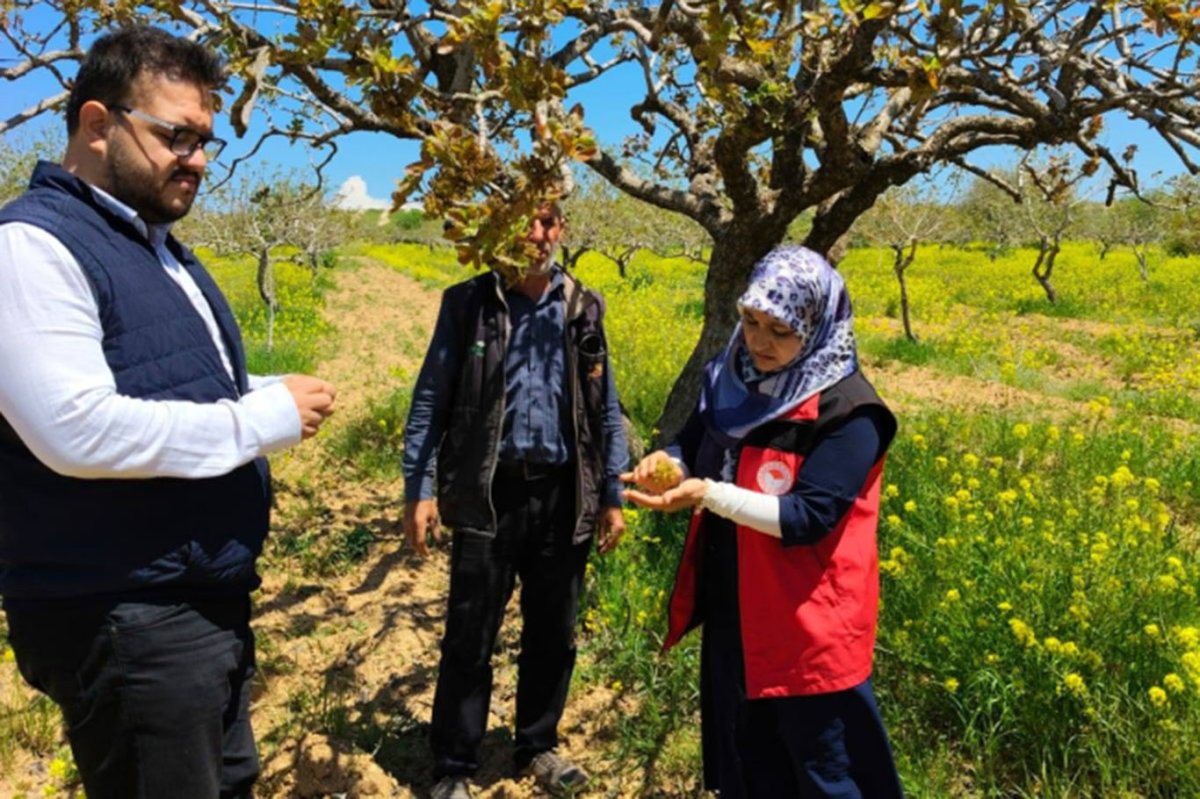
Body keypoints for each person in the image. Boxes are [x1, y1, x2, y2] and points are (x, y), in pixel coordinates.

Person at [0, 26, 336, 799]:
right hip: (124, 613)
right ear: (96, 124)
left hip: (193, 602)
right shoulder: (31, 246)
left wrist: (262, 385)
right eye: (176, 136)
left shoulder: (157, 246)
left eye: (206, 140)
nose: (199, 160)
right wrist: (262, 421)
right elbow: (75, 428)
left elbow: (173, 378)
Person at [623, 245, 903, 798]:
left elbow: (810, 516)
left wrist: (708, 494)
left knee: (826, 770)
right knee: (747, 759)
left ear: (817, 326)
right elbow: (697, 444)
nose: (758, 341)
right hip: (738, 610)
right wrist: (671, 463)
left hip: (806, 623)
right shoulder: (732, 381)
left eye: (779, 329)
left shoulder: (850, 411)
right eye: (750, 321)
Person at [402, 202, 629, 799]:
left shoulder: (584, 306)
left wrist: (612, 490)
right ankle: (454, 765)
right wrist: (418, 488)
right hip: (486, 492)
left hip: (562, 491)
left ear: (563, 229)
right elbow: (431, 396)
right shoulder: (468, 302)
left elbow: (605, 405)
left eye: (549, 222)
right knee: (470, 630)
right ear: (499, 227)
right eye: (524, 221)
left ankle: (538, 744)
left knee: (553, 630)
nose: (537, 234)